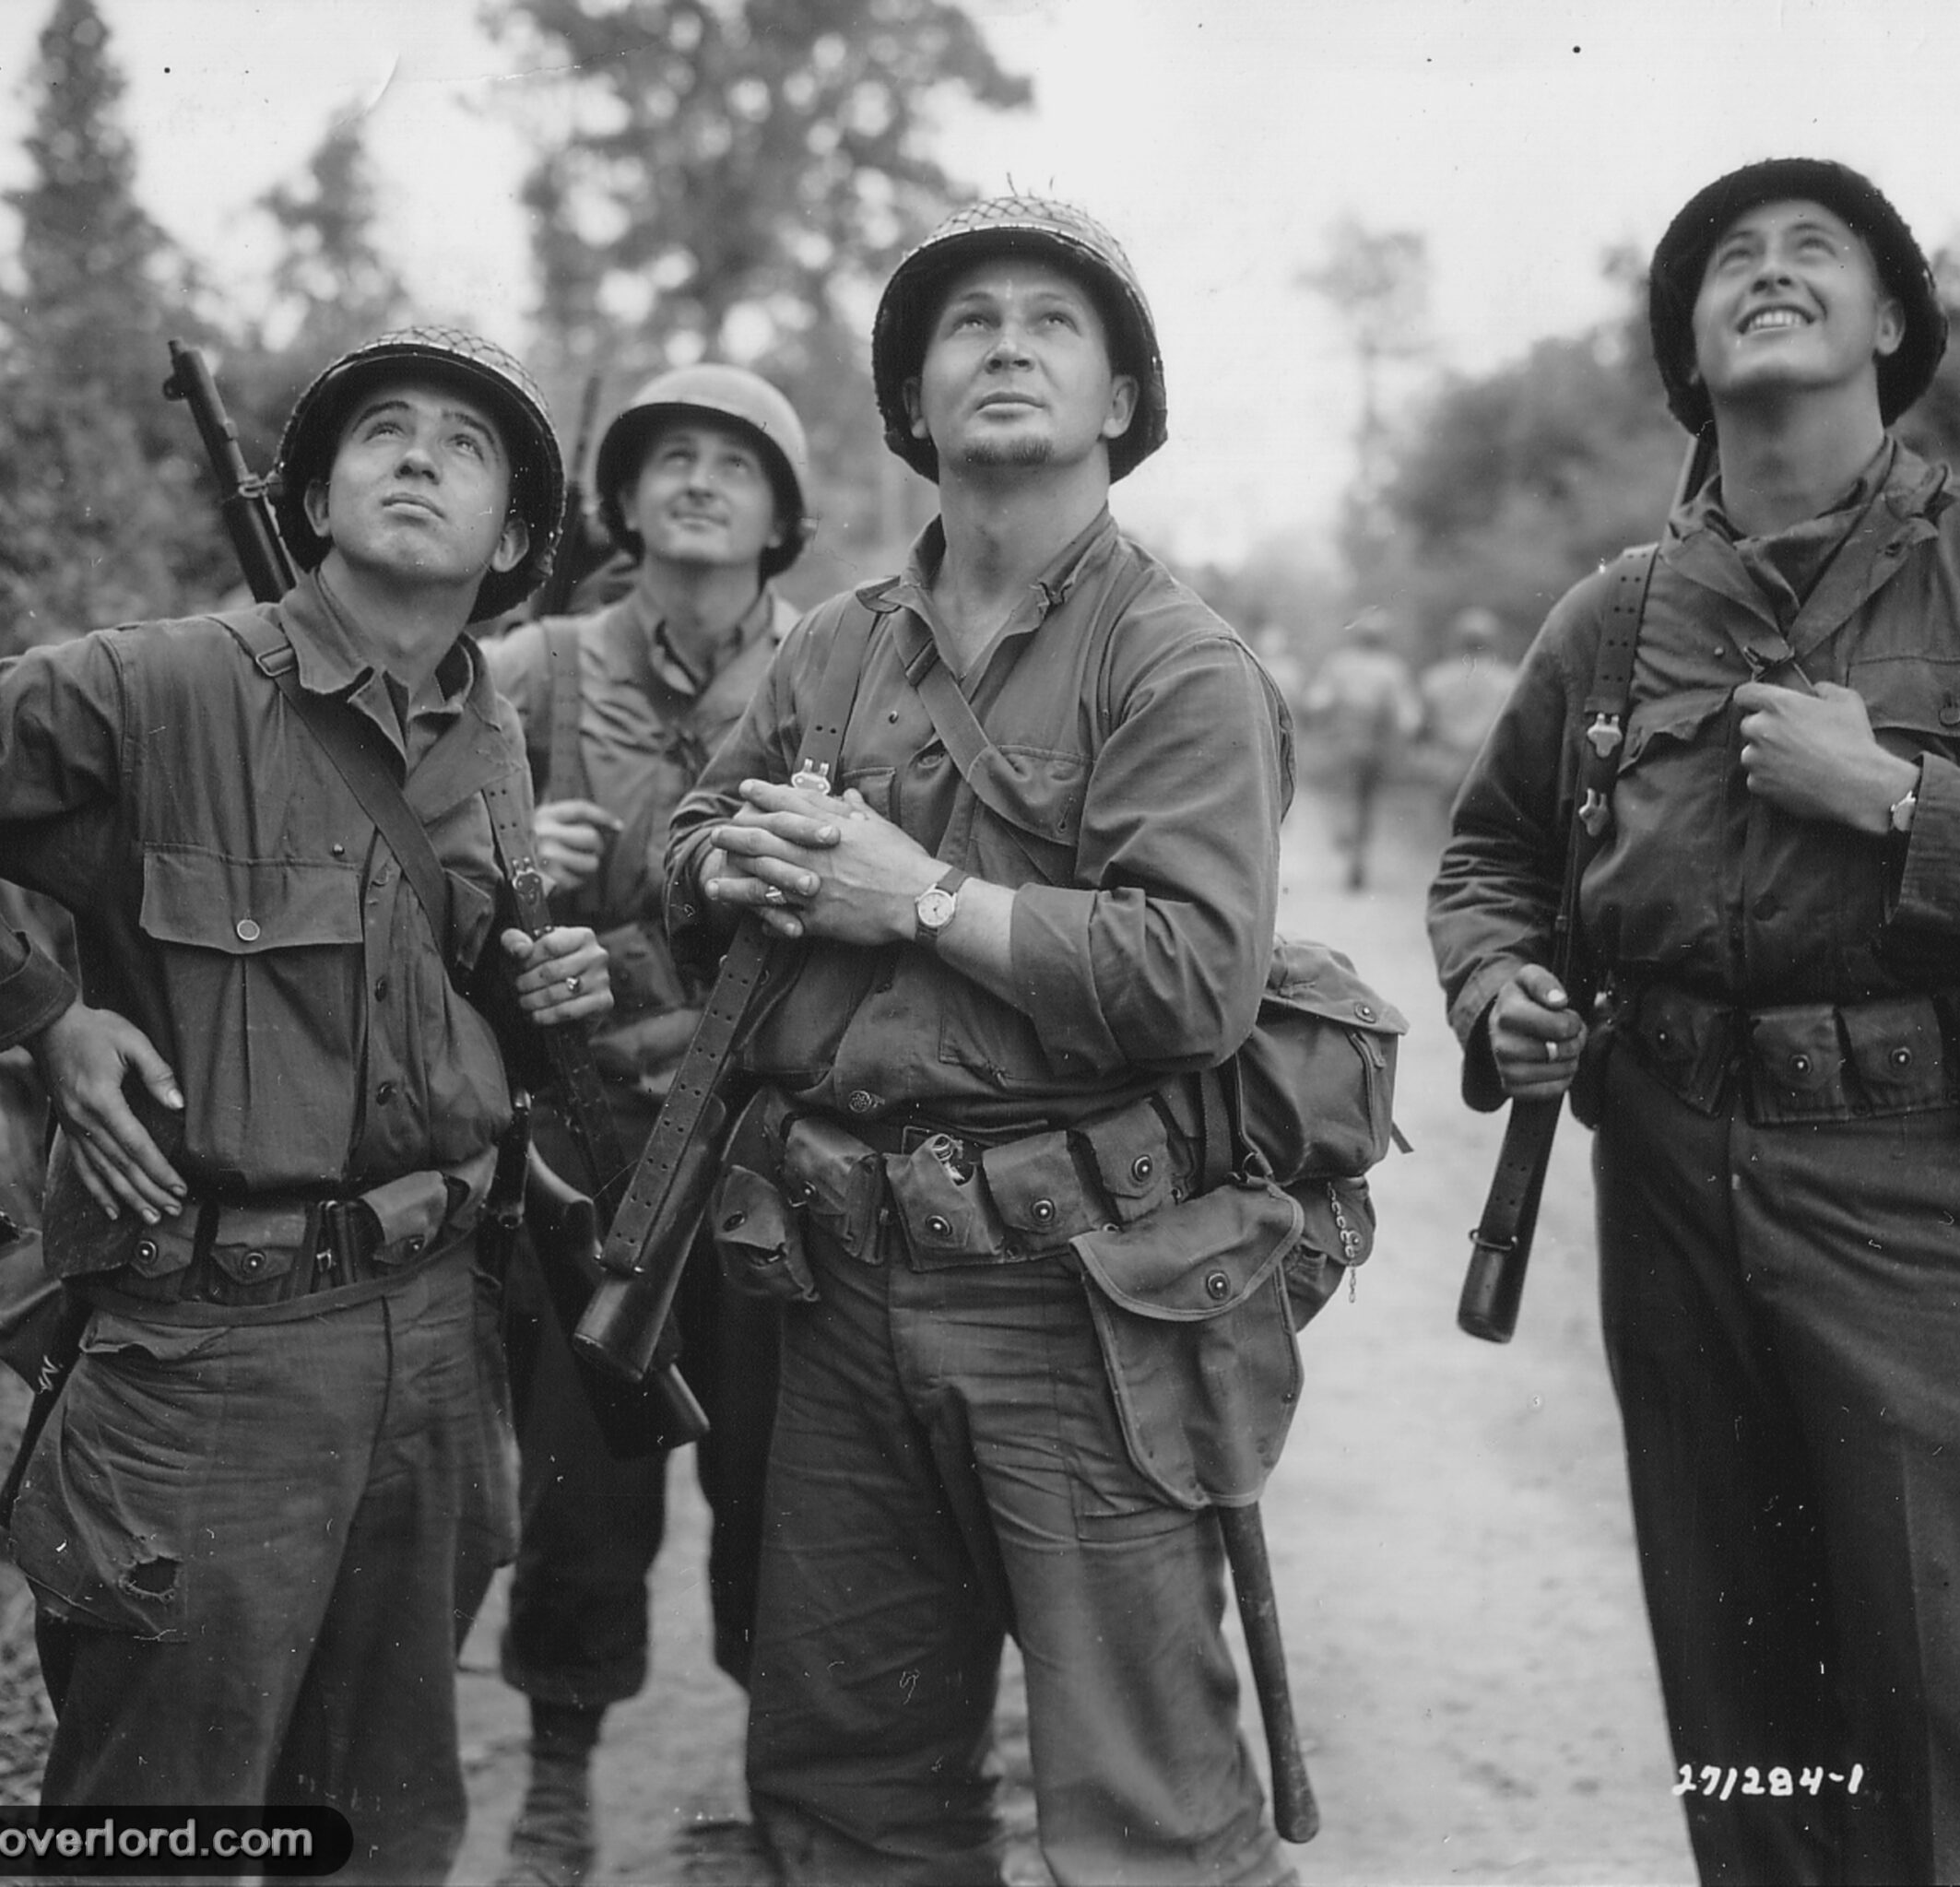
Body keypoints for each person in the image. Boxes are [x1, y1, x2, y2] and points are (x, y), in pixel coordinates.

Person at [0, 326, 616, 1883]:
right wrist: (44, 1018)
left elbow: (451, 984)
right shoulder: (158, 686)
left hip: (438, 1342)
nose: (420, 457)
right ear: (316, 495)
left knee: (386, 1823)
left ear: (520, 540)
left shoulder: (490, 729)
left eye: (467, 446)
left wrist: (540, 996)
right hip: (214, 1358)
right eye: (384, 432)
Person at [1427, 158, 1960, 1884]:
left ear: (1893, 319)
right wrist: (1506, 991)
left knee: (1948, 1717)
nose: (1767, 274)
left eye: (1812, 252)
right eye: (1727, 266)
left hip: (1931, 1181)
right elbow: (1487, 852)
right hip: (1673, 1192)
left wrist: (1902, 800)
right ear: (1687, 352)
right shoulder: (1614, 617)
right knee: (1746, 1727)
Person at [665, 195, 1298, 1885]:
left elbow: (1194, 976)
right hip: (841, 1279)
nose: (1006, 342)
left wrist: (925, 898)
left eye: (1050, 322)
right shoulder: (831, 646)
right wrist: (721, 859)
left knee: (1142, 1809)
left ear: (1116, 403)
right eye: (966, 324)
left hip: (1080, 1295)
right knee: (848, 1786)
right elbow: (685, 846)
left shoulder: (1176, 660)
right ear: (915, 406)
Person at [475, 363, 814, 1887]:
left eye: (733, 463)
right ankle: (555, 1795)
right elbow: (400, 865)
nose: (697, 481)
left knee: (784, 1489)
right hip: (583, 1148)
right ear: (624, 498)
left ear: (780, 512)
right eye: (668, 456)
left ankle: (776, 1787)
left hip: (767, 1153)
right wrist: (495, 858)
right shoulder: (530, 669)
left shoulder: (844, 670)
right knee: (577, 1491)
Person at [1299, 607, 1422, 889]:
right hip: (1375, 746)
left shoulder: (1340, 664)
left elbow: (1318, 699)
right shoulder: (1393, 668)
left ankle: (1347, 840)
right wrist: (1411, 737)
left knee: (1341, 794)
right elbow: (1407, 714)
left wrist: (1313, 716)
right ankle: (1358, 850)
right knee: (1366, 801)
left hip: (1344, 742)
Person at [1414, 605, 1519, 812]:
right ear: (1492, 640)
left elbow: (1422, 727)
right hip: (1490, 771)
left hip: (1445, 768)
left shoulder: (1435, 678)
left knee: (1444, 832)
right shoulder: (1510, 679)